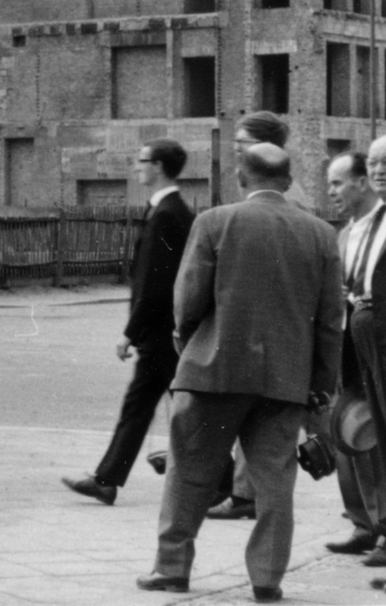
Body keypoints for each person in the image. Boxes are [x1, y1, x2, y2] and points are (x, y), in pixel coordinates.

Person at [137, 144, 344, 601]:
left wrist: (188, 342)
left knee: (189, 472)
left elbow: (188, 298)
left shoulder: (215, 221)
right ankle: (267, 579)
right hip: (285, 379)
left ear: (240, 177)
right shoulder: (321, 234)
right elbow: (331, 320)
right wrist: (320, 384)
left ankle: (172, 568)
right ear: (288, 181)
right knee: (275, 483)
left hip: (213, 370)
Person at [64, 139, 195, 505]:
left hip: (160, 334)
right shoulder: (171, 209)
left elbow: (155, 283)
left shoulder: (166, 214)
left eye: (142, 160)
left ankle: (227, 482)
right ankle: (107, 479)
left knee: (168, 411)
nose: (136, 166)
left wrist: (130, 333)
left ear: (159, 167)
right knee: (156, 409)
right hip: (166, 333)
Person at [210, 110, 305, 521]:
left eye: (242, 144)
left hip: (273, 326)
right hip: (265, 324)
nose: (235, 151)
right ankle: (246, 493)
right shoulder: (269, 192)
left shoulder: (287, 200)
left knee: (268, 420)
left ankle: (251, 497)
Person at [324, 149, 386, 562]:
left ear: (360, 183)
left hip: (377, 338)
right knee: (351, 427)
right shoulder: (346, 233)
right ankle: (365, 522)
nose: (331, 192)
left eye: (337, 182)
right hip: (349, 342)